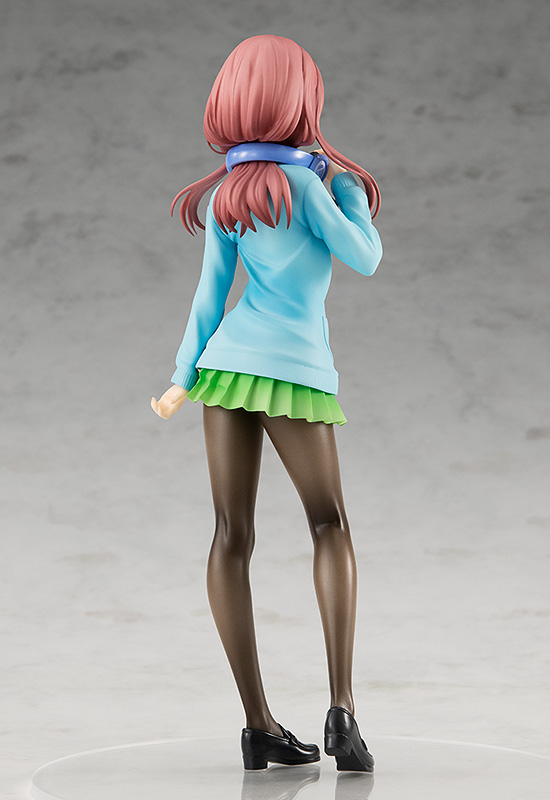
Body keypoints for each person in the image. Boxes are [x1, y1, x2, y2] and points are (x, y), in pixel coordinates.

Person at [151, 34, 383, 772]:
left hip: (224, 372)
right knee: (329, 523)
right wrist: (352, 196)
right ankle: (342, 710)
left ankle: (258, 726)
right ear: (298, 102)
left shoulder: (229, 194)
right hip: (292, 374)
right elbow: (365, 256)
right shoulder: (309, 188)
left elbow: (209, 297)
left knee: (230, 535)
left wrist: (183, 376)